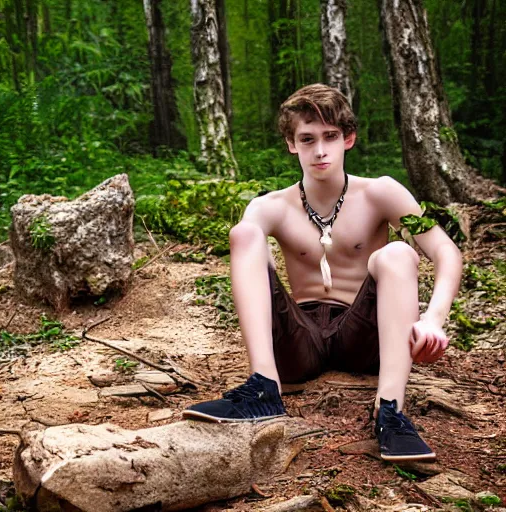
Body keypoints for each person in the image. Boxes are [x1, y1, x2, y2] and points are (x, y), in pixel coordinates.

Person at [183, 83, 462, 461]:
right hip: (300, 342)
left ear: (348, 138)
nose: (319, 150)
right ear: (291, 144)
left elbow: (445, 250)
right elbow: (249, 256)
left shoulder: (381, 193)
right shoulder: (273, 207)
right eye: (307, 138)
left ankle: (391, 412)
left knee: (397, 253)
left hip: (366, 336)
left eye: (330, 136)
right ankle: (264, 388)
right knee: (244, 232)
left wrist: (434, 318)